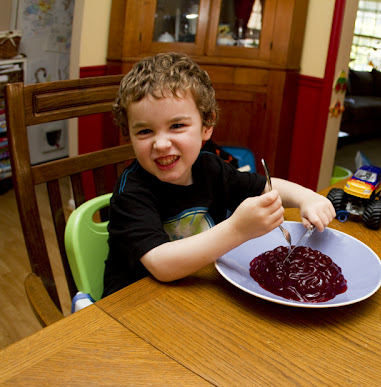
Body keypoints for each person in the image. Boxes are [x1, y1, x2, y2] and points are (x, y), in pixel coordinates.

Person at [102, 52, 335, 297]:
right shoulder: (131, 192)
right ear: (128, 134)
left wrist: (307, 198)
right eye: (145, 131)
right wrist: (237, 229)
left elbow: (264, 186)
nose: (161, 144)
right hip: (134, 302)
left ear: (206, 125)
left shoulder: (210, 167)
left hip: (194, 289)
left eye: (177, 126)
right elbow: (161, 265)